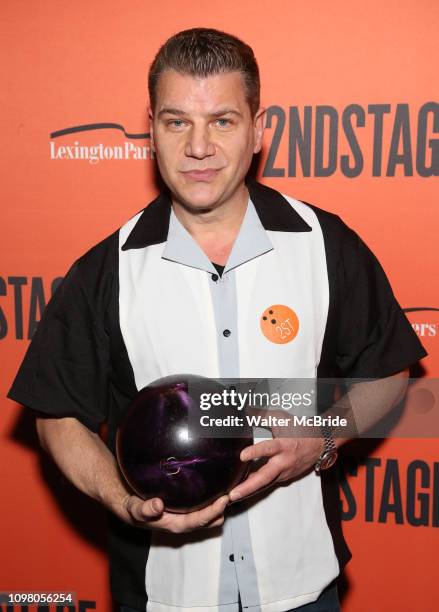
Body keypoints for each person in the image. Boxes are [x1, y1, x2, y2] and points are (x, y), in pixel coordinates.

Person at [8, 28, 427, 612]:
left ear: (260, 130)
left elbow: (388, 374)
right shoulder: (107, 269)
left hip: (303, 590)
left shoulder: (324, 245)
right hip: (165, 596)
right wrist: (122, 499)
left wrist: (324, 436)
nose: (198, 147)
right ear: (151, 129)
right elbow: (58, 418)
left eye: (223, 121)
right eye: (177, 122)